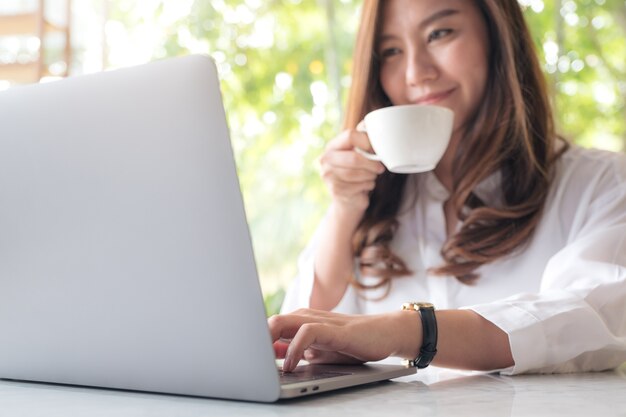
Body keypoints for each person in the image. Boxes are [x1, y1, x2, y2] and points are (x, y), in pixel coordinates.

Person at [268, 0, 626, 375]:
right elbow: (297, 339)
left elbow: (590, 321)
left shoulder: (601, 184)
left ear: (498, 37)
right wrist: (343, 210)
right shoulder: (369, 202)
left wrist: (405, 331)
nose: (415, 73)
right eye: (391, 50)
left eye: (439, 33)